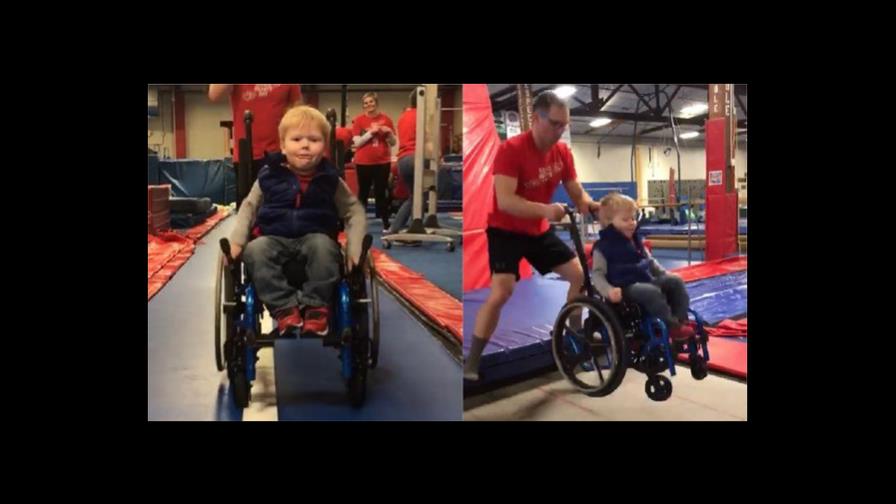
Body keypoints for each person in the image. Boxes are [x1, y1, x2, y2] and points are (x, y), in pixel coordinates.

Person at [463, 91, 601, 381]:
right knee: (502, 292)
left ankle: (572, 338)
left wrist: (590, 204)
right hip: (505, 231)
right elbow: (506, 200)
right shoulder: (511, 149)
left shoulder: (562, 152)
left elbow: (576, 191)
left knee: (579, 277)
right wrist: (545, 210)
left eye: (564, 125)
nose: (560, 130)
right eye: (554, 124)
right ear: (536, 118)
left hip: (537, 230)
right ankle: (472, 361)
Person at [226, 106, 366, 337]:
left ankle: (316, 309)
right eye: (297, 139)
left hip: (315, 238)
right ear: (283, 145)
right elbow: (248, 208)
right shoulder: (268, 176)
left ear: (325, 146)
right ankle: (284, 308)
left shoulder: (331, 180)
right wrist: (237, 242)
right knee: (255, 250)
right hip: (273, 238)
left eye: (314, 139)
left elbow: (354, 211)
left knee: (323, 247)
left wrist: (355, 247)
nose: (305, 145)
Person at [592, 192, 695, 344]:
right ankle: (672, 326)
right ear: (609, 223)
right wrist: (608, 291)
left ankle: (680, 321)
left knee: (675, 281)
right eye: (625, 219)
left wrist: (664, 275)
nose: (632, 223)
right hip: (624, 287)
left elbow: (650, 261)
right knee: (650, 292)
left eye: (633, 218)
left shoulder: (635, 240)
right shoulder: (603, 247)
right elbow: (597, 275)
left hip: (644, 280)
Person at [209, 84, 303, 204]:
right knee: (248, 209)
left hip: (280, 154)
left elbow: (298, 111)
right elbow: (214, 94)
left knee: (281, 206)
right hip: (246, 156)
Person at [351, 92, 396, 229]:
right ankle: (359, 223)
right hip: (363, 162)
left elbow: (393, 143)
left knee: (381, 192)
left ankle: (385, 223)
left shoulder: (386, 119)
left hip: (382, 162)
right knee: (363, 193)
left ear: (376, 103)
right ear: (363, 106)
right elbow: (357, 143)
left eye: (371, 101)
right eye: (366, 103)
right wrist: (371, 132)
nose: (369, 105)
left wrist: (389, 133)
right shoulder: (359, 120)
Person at [384, 89, 418, 236]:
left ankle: (395, 228)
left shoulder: (404, 116)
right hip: (415, 157)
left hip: (402, 159)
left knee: (414, 197)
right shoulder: (423, 115)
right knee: (418, 197)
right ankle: (411, 229)